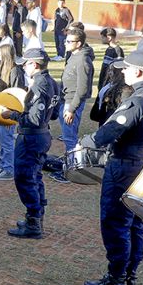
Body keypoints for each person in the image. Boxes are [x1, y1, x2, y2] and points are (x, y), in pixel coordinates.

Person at [84, 51, 143, 285]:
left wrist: (86, 141)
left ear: (137, 72)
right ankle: (129, 277)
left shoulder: (138, 100)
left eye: (126, 69)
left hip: (125, 167)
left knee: (115, 222)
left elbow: (107, 133)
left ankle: (115, 280)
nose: (123, 72)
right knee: (136, 223)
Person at [2, 48, 58, 239]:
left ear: (34, 64)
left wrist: (12, 114)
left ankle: (33, 222)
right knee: (35, 176)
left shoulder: (39, 86)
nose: (23, 67)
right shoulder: (52, 82)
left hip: (31, 137)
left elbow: (33, 119)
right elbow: (55, 113)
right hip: (42, 135)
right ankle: (36, 217)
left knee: (25, 178)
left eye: (25, 63)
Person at [51, 30, 94, 183]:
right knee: (69, 136)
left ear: (79, 43)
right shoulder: (74, 56)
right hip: (66, 99)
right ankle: (69, 166)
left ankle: (71, 171)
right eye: (66, 41)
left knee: (70, 138)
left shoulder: (83, 60)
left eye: (69, 41)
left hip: (72, 102)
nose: (65, 43)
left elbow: (82, 89)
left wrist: (71, 109)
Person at [0, 44, 25, 181]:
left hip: (9, 113)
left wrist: (12, 115)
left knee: (7, 141)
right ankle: (4, 165)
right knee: (1, 139)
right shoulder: (1, 68)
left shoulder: (15, 71)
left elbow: (17, 95)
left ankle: (8, 169)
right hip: (0, 111)